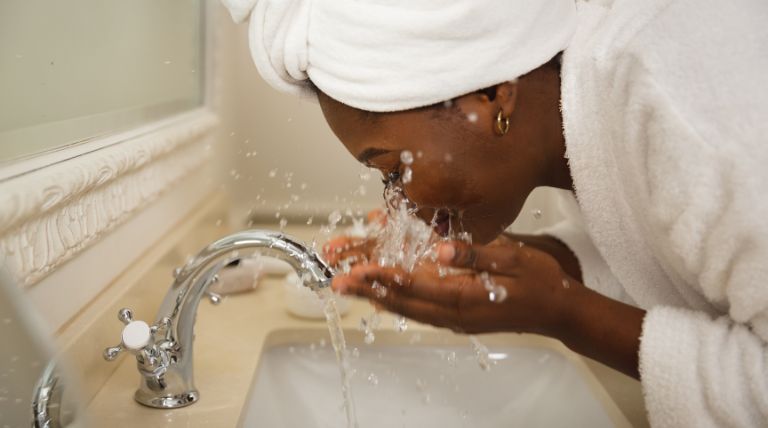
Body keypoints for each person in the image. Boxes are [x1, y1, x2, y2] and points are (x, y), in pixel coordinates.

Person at [221, 0, 768, 426]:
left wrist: (563, 314)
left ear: (490, 95)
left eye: (391, 168)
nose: (398, 203)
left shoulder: (680, 92)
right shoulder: (592, 110)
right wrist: (521, 262)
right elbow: (657, 243)